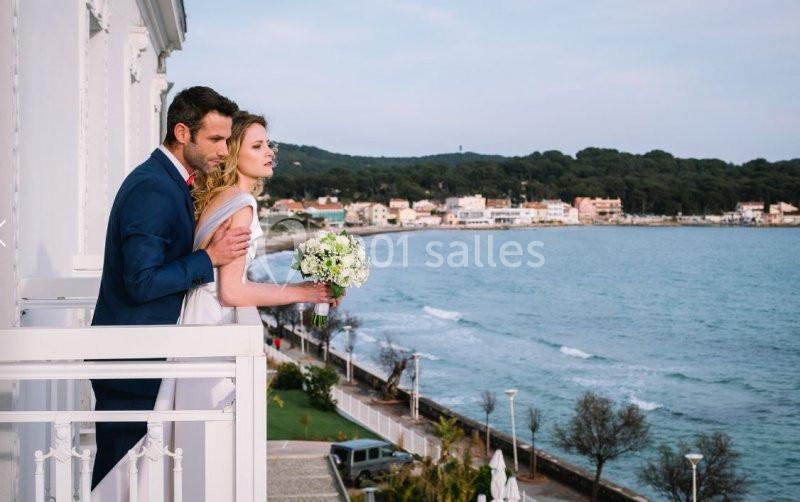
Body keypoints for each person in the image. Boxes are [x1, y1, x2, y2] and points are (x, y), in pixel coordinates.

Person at [90, 86, 248, 495]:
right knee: (117, 481)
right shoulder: (153, 188)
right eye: (215, 139)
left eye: (227, 140)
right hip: (133, 364)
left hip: (143, 357)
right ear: (182, 133)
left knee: (135, 481)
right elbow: (141, 282)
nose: (224, 150)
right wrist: (208, 258)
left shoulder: (168, 181)